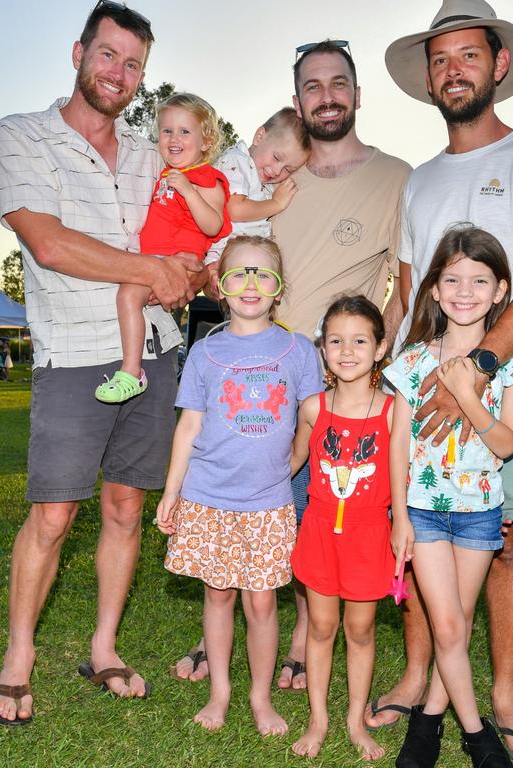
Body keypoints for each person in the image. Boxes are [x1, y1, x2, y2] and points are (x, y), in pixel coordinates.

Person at [377, 3, 513, 761]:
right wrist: (397, 382)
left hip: (505, 380)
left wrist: (473, 371)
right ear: (429, 76)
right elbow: (407, 295)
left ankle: (499, 694)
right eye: (440, 59)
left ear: (499, 65)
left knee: (504, 539)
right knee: (419, 523)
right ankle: (418, 677)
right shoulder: (421, 180)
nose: (453, 69)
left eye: (468, 55)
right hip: (422, 381)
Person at [0, 1, 205, 726]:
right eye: (108, 55)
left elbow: (198, 246)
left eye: (133, 63)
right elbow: (49, 244)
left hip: (157, 351)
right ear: (79, 53)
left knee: (126, 505)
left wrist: (195, 272)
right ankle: (18, 658)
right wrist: (150, 265)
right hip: (74, 354)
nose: (119, 72)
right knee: (53, 513)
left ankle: (103, 647)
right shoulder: (21, 136)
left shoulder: (155, 151)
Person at [172, 39, 411, 690]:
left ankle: (302, 641)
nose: (326, 95)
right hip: (249, 357)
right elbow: (217, 246)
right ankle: (213, 632)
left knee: (307, 509)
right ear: (297, 99)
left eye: (338, 83)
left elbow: (404, 285)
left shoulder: (396, 178)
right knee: (237, 489)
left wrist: (368, 366)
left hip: (330, 371)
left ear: (357, 95)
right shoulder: (268, 174)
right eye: (312, 86)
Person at [386, 227, 513, 767]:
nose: (465, 290)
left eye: (480, 280)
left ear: (501, 290)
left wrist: (468, 393)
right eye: (452, 279)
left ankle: (428, 721)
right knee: (447, 625)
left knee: (460, 619)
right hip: (425, 513)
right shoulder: (411, 361)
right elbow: (398, 445)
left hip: (480, 515)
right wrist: (399, 516)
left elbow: (506, 442)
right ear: (433, 289)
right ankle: (478, 737)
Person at [156, 236, 323, 735]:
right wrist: (171, 492)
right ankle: (220, 693)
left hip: (268, 502)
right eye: (238, 275)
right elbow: (188, 427)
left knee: (263, 601)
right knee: (218, 595)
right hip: (207, 496)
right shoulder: (206, 352)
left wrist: (290, 467)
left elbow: (312, 420)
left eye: (263, 275)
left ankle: (259, 696)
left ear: (279, 287)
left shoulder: (298, 351)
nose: (251, 285)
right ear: (221, 289)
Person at [288, 296, 394, 761]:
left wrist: (404, 527)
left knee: (361, 628)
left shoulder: (394, 412)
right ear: (322, 348)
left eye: (359, 340)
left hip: (370, 537)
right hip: (318, 534)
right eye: (336, 341)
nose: (347, 350)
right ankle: (318, 719)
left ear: (379, 348)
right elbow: (289, 464)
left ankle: (354, 721)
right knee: (320, 626)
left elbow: (404, 478)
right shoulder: (312, 407)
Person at [95, 92, 232, 404]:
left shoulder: (207, 178)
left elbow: (213, 225)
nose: (174, 138)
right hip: (153, 260)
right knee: (128, 295)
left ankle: (132, 371)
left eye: (185, 131)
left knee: (129, 294)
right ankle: (132, 367)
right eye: (167, 130)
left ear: (206, 140)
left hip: (178, 262)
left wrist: (188, 189)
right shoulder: (165, 173)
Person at [205, 107, 310, 268]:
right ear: (259, 137)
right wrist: (276, 204)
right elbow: (235, 209)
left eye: (288, 169)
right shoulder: (237, 161)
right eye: (276, 157)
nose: (276, 171)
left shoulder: (262, 180)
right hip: (223, 255)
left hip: (246, 258)